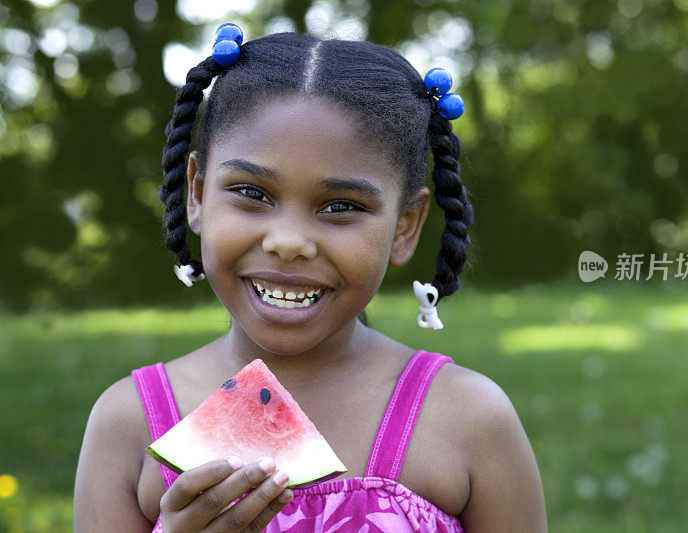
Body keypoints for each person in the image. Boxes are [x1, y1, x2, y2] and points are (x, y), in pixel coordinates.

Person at [74, 24, 547, 532]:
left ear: (405, 227)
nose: (289, 241)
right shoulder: (128, 423)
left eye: (340, 206)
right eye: (252, 193)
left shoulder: (470, 419)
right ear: (197, 193)